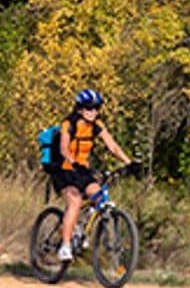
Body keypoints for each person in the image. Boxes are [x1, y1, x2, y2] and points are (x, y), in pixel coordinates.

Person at [53, 88, 132, 261]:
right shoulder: (69, 123)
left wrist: (129, 162)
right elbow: (63, 147)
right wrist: (72, 161)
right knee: (75, 200)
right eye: (89, 108)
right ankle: (65, 246)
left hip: (83, 169)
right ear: (80, 108)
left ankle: (80, 228)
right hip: (64, 169)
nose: (93, 112)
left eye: (96, 109)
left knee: (99, 197)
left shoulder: (97, 125)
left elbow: (112, 146)